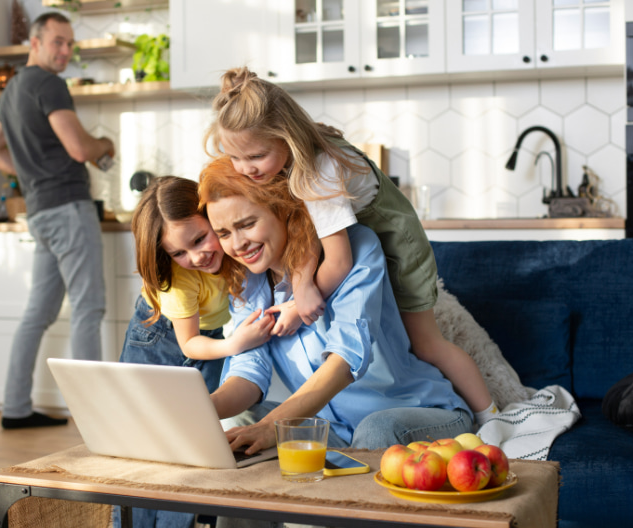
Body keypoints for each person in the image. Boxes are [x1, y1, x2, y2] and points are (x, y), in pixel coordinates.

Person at [204, 66, 498, 426]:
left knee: (426, 343)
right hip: (348, 234)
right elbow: (310, 232)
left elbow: (340, 259)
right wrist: (302, 278)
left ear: (286, 137)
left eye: (255, 157)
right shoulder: (291, 169)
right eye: (235, 158)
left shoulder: (318, 171)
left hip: (398, 243)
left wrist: (299, 305)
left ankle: (490, 416)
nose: (245, 169)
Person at [200, 156, 473, 454]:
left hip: (417, 412)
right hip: (332, 428)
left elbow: (347, 357)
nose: (237, 244)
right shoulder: (246, 283)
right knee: (240, 419)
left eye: (248, 224)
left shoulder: (356, 248)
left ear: (282, 210)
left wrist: (272, 427)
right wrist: (199, 410)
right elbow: (249, 371)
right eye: (224, 233)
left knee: (375, 429)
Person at [0, 12, 114, 429]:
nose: (65, 51)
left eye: (70, 44)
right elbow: (78, 148)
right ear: (35, 43)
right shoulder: (49, 84)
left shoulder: (14, 88)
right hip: (69, 207)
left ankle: (15, 407)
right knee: (89, 308)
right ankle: (94, 418)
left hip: (39, 211)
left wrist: (30, 175)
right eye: (58, 42)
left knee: (37, 314)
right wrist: (105, 143)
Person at [119, 175, 275, 389]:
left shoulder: (233, 245)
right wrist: (234, 344)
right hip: (159, 335)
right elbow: (189, 343)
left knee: (203, 409)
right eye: (179, 253)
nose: (196, 258)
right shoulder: (180, 279)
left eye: (199, 239)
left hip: (208, 332)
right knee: (146, 409)